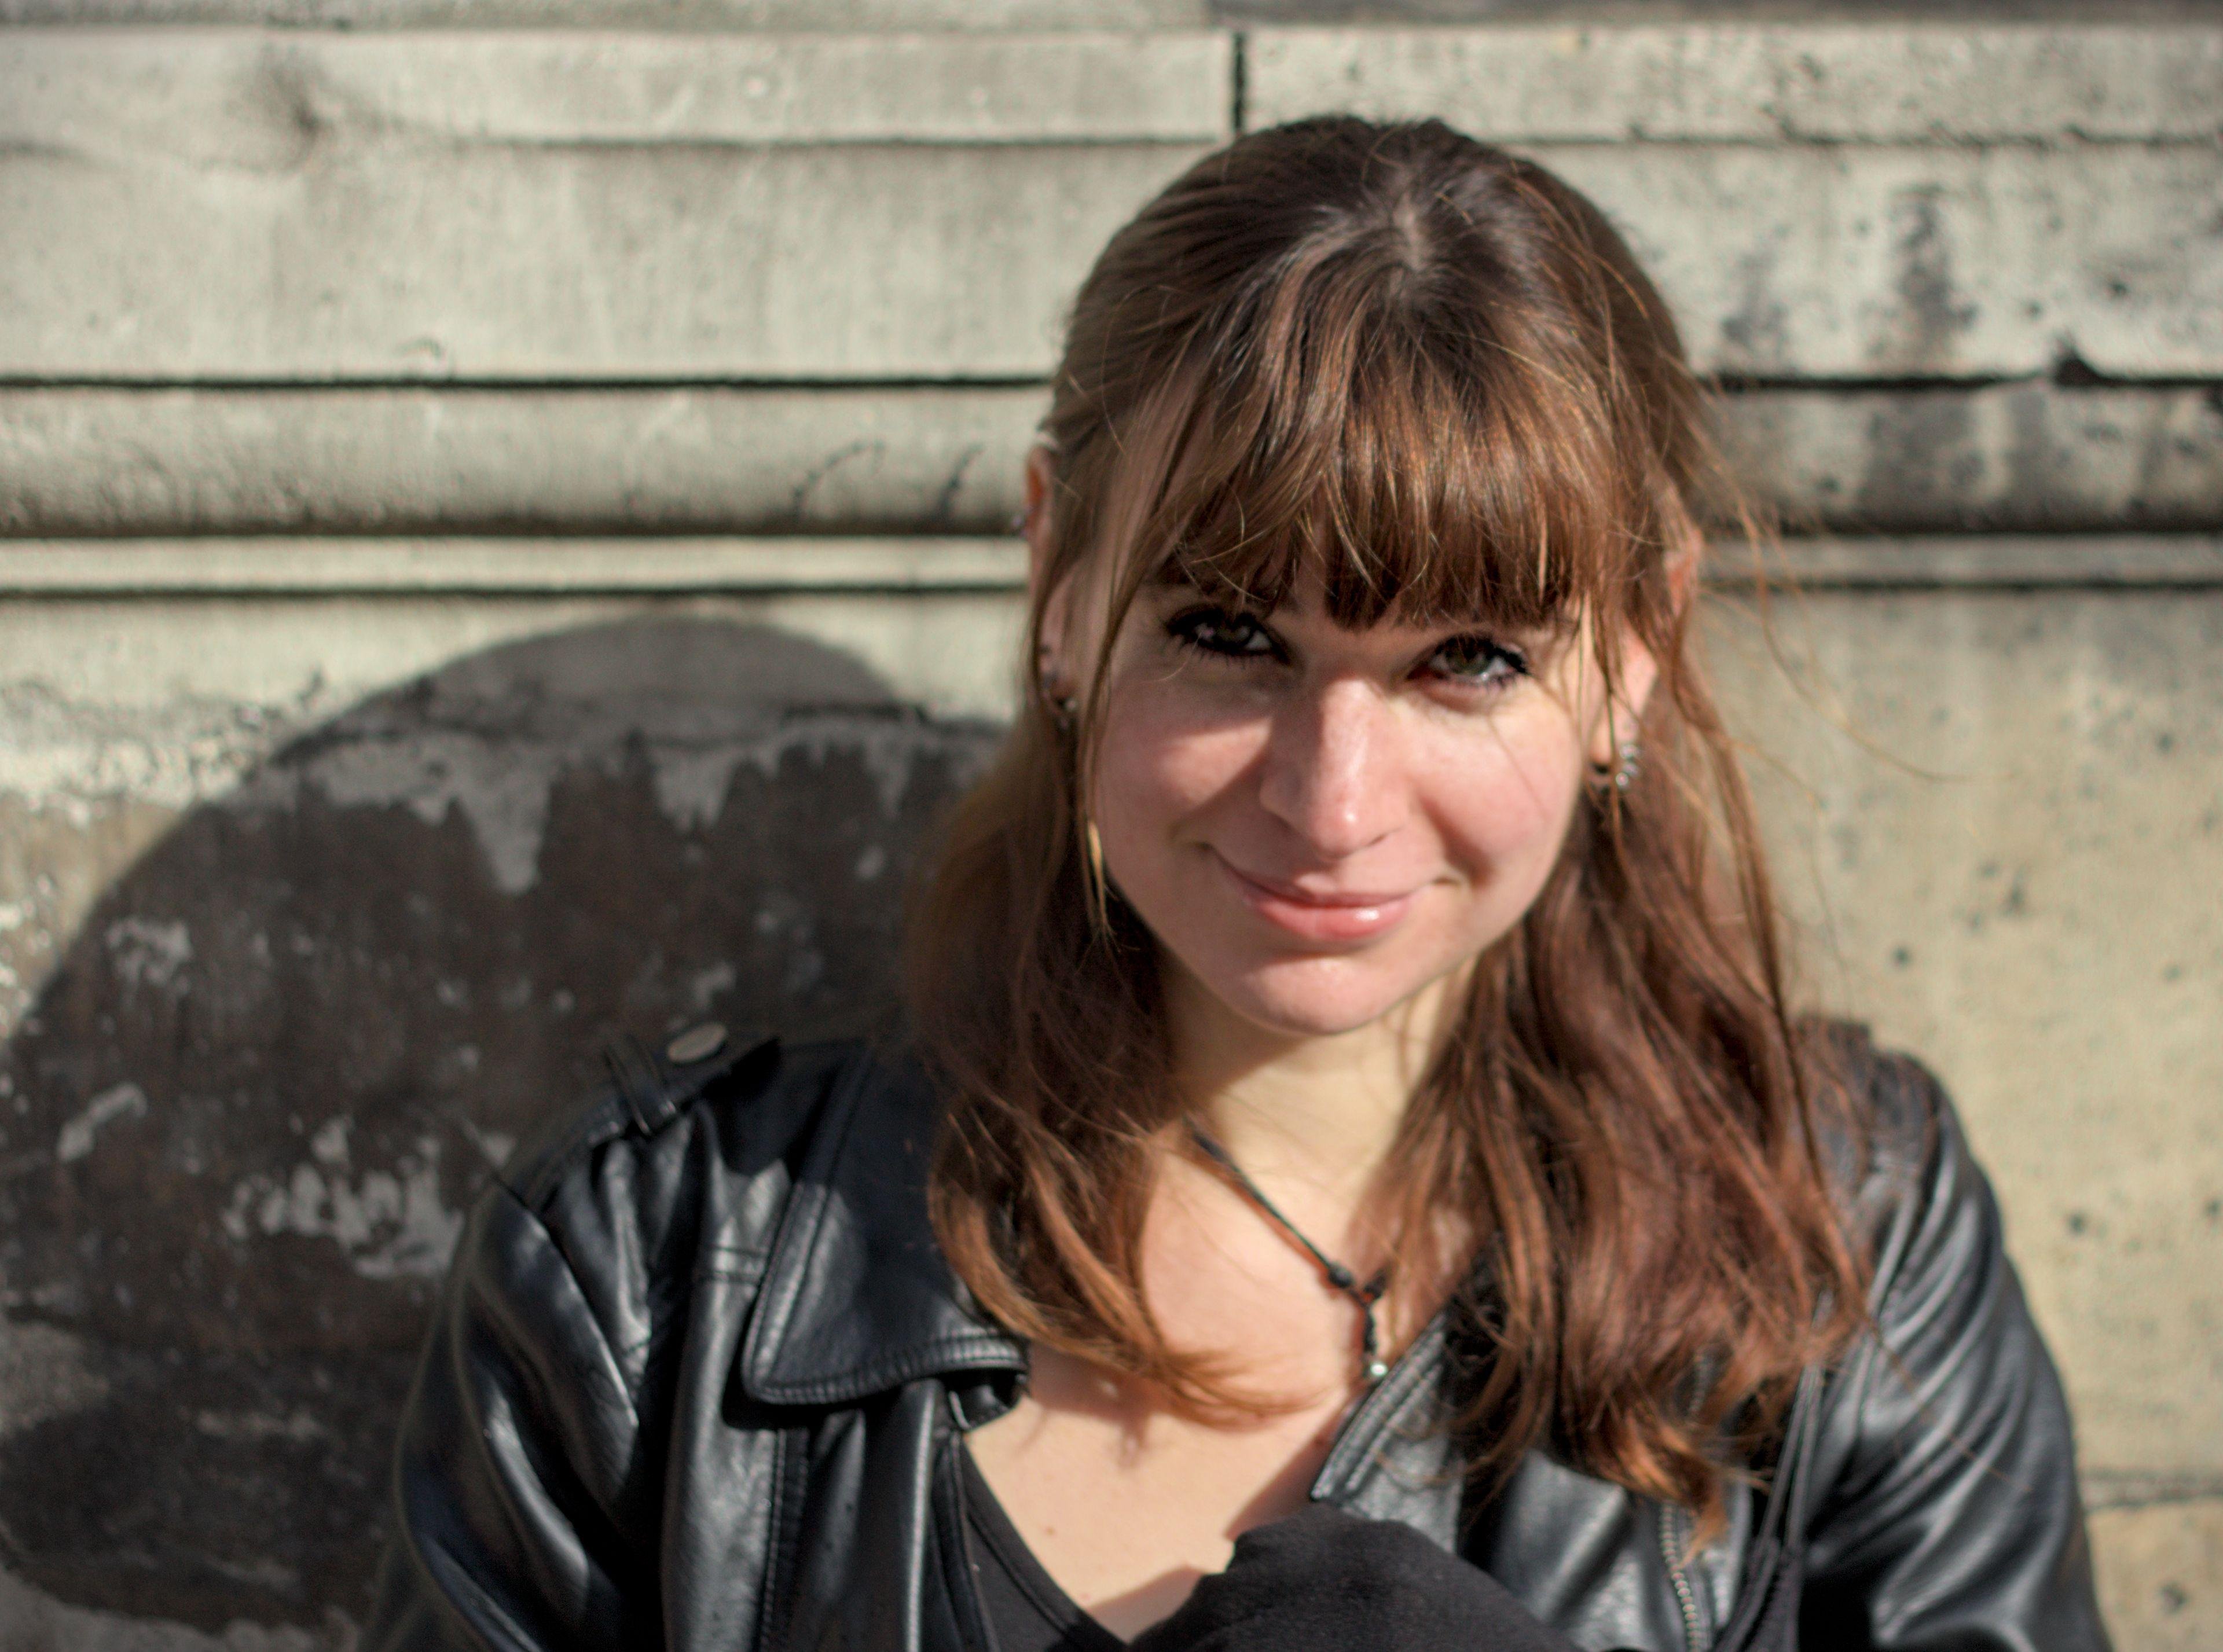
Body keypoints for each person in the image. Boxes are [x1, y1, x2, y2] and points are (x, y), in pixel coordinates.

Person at [364, 118, 2111, 1651]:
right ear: (1059, 575)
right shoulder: (649, 1283)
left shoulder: (1848, 1249)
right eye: (1228, 635)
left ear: (1638, 650)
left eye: (1470, 660)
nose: (1331, 800)